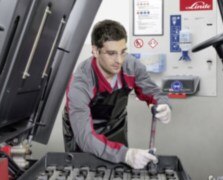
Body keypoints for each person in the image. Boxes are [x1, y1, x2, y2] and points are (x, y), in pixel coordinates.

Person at [62, 19, 171, 169]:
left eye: (123, 52)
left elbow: (151, 91)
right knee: (85, 170)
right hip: (84, 130)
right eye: (112, 53)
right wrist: (125, 154)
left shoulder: (131, 65)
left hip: (116, 124)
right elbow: (86, 137)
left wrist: (163, 103)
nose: (119, 60)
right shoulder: (80, 83)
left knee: (120, 169)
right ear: (95, 50)